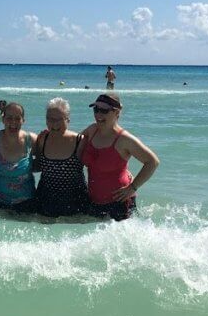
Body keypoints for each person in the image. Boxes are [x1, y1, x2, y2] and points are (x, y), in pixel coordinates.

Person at [80, 93, 159, 221]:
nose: (98, 115)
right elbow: (73, 143)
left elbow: (152, 162)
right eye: (96, 109)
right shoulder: (92, 130)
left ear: (116, 113)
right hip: (94, 200)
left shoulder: (124, 139)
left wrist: (133, 187)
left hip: (120, 203)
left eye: (104, 111)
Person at [34, 98, 89, 218]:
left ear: (68, 119)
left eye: (58, 119)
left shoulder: (80, 141)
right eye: (49, 119)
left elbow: (97, 166)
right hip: (45, 202)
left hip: (75, 203)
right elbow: (37, 165)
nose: (53, 124)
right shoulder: (42, 138)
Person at [0, 102, 37, 213]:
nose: (13, 122)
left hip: (26, 203)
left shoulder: (31, 140)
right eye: (9, 118)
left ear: (23, 120)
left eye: (17, 118)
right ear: (3, 119)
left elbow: (45, 160)